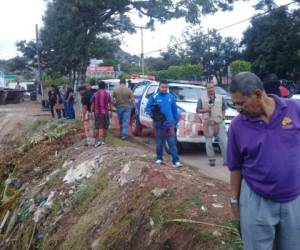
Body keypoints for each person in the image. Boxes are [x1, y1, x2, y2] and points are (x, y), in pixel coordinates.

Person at [227, 72, 300, 250]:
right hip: (256, 200)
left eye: (241, 103)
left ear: (258, 94)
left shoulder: (294, 109)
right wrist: (234, 200)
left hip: (294, 199)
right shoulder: (237, 125)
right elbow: (235, 167)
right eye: (234, 104)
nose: (237, 109)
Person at [145, 80, 182, 168]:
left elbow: (174, 110)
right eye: (163, 87)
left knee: (172, 142)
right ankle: (159, 158)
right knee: (159, 142)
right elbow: (147, 108)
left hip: (169, 123)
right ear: (159, 87)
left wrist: (176, 121)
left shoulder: (171, 97)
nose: (164, 89)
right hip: (158, 123)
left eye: (166, 87)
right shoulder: (154, 97)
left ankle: (176, 161)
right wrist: (152, 114)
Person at [196, 81, 227, 167]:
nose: (210, 89)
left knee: (224, 142)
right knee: (209, 142)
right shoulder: (201, 98)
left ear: (214, 88)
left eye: (212, 87)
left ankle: (227, 160)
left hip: (219, 122)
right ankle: (211, 160)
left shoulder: (221, 98)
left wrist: (222, 117)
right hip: (208, 123)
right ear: (206, 88)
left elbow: (224, 108)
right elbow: (198, 110)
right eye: (209, 88)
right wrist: (205, 110)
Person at [92, 81, 112, 147]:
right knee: (105, 127)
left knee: (96, 127)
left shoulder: (95, 94)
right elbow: (110, 104)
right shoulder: (107, 94)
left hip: (97, 112)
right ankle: (103, 141)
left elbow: (92, 104)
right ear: (105, 86)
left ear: (99, 86)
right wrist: (111, 112)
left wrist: (92, 113)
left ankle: (96, 142)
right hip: (105, 112)